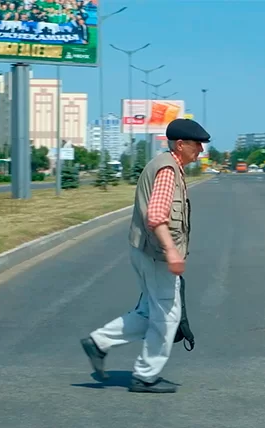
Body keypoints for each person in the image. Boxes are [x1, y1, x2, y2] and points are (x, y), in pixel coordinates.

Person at [80, 118, 210, 393]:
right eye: (197, 144)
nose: (200, 149)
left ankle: (99, 342)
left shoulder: (169, 165)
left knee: (151, 311)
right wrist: (172, 251)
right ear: (180, 144)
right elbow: (156, 215)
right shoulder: (167, 170)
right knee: (167, 317)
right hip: (156, 254)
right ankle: (145, 375)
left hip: (144, 251)